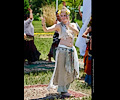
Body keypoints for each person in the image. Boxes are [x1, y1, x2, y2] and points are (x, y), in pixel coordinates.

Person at [41, 6, 79, 97]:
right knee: (62, 70)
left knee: (70, 70)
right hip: (62, 50)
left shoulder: (73, 25)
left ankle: (66, 88)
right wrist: (43, 24)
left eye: (65, 15)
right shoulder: (58, 25)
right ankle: (62, 90)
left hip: (71, 51)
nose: (63, 17)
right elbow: (46, 30)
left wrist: (69, 26)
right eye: (61, 15)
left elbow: (77, 32)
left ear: (68, 15)